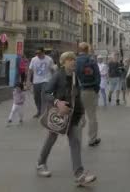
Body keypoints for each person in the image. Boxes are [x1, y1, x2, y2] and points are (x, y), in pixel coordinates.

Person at [36, 52, 97, 187]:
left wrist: (82, 115)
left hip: (73, 115)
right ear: (64, 62)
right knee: (51, 139)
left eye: (74, 60)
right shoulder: (58, 75)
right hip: (59, 115)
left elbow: (77, 97)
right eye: (70, 60)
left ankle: (79, 175)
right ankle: (41, 164)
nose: (73, 62)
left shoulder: (76, 76)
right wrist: (57, 102)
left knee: (75, 142)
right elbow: (46, 92)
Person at [75, 42, 101, 147]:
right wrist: (96, 88)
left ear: (79, 50)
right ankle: (92, 139)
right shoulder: (92, 61)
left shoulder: (75, 61)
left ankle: (77, 140)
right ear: (87, 50)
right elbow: (98, 77)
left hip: (78, 91)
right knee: (92, 116)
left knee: (79, 117)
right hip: (90, 90)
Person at [29, 48, 55, 118]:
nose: (38, 55)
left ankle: (44, 113)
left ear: (43, 52)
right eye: (36, 53)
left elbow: (53, 70)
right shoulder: (33, 59)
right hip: (36, 81)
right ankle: (39, 111)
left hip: (46, 80)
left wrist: (54, 81)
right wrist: (28, 81)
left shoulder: (49, 59)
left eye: (39, 53)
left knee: (44, 96)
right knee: (36, 97)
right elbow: (30, 70)